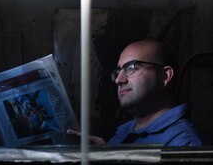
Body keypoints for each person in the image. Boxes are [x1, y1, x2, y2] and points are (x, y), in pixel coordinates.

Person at [69, 38, 203, 146]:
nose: (119, 80)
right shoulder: (123, 135)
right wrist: (105, 153)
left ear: (165, 76)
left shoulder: (183, 143)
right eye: (118, 71)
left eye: (131, 68)